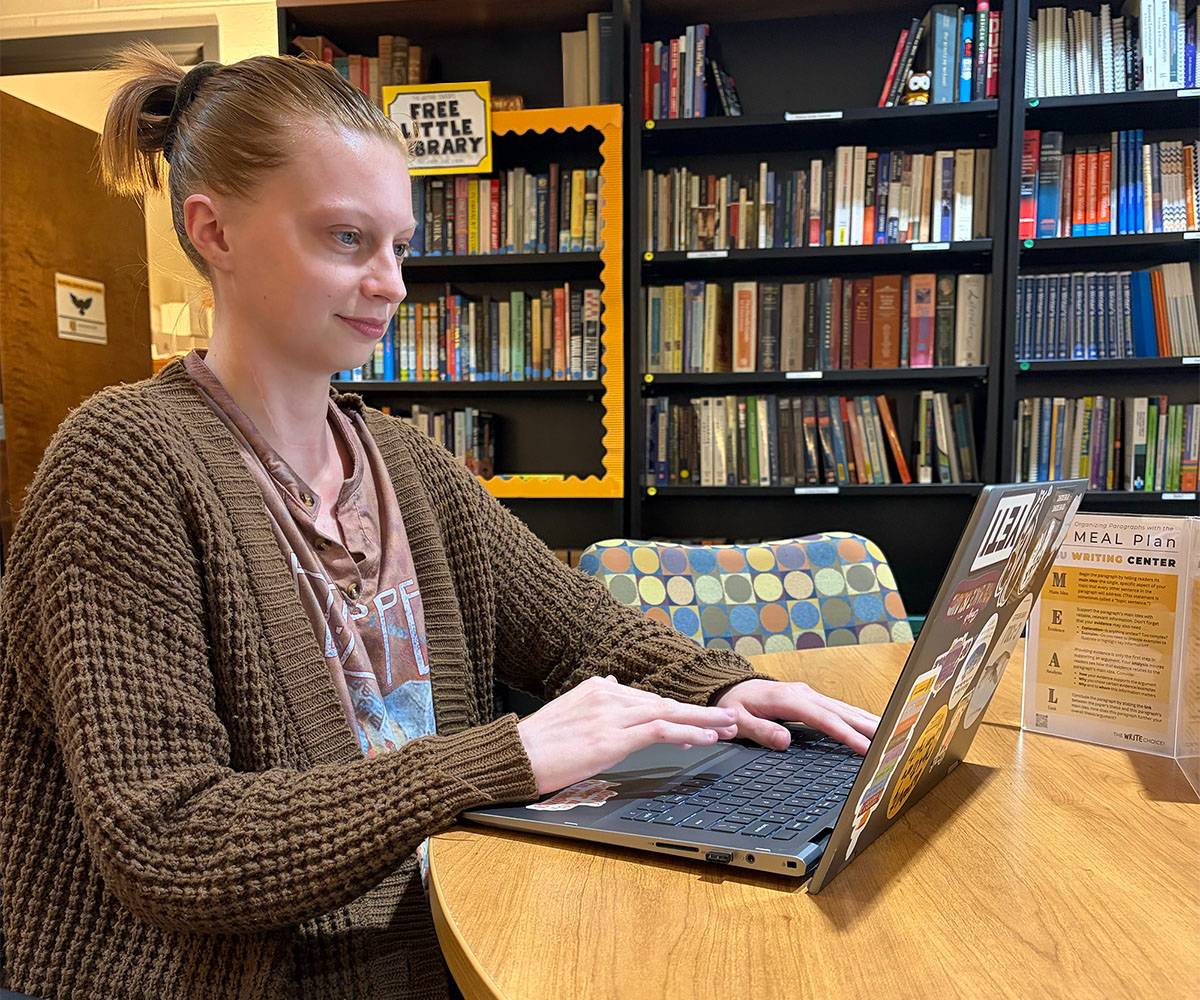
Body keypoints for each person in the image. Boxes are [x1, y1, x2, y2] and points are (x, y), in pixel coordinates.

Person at [0, 43, 879, 1000]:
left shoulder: (404, 461)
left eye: (399, 246)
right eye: (347, 239)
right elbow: (169, 840)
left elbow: (583, 632)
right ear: (214, 231)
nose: (391, 283)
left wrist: (732, 687)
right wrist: (508, 758)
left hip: (452, 933)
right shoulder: (120, 463)